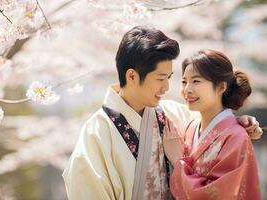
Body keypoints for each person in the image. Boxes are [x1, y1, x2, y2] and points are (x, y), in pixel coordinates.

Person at [62, 27, 262, 200]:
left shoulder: (171, 114)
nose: (167, 87)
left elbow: (213, 128)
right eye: (160, 78)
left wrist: (238, 123)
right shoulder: (95, 135)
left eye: (169, 78)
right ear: (132, 75)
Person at [167, 49, 261, 200]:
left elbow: (219, 194)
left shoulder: (236, 136)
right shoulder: (191, 127)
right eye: (184, 82)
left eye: (196, 81)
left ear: (221, 87)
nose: (187, 90)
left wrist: (176, 161)